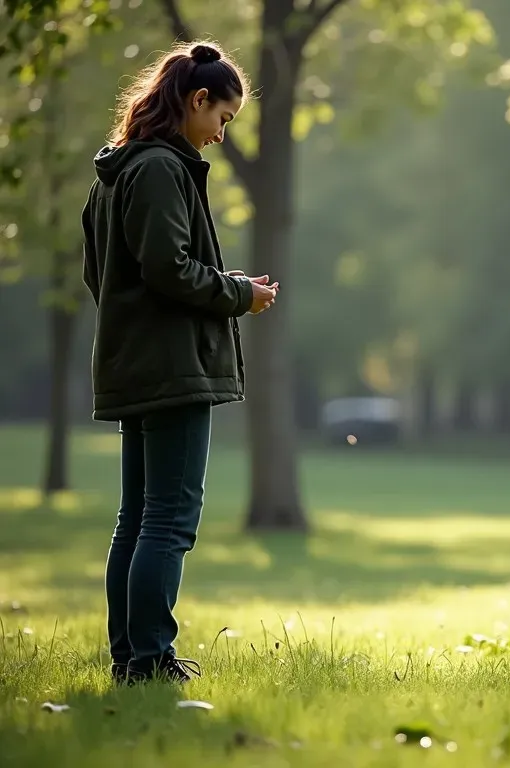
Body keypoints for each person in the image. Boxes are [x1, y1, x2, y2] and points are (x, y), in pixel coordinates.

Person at [80, 40, 277, 686]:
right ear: (197, 101)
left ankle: (130, 658)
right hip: (173, 369)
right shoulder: (163, 169)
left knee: (136, 516)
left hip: (134, 363)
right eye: (222, 119)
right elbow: (167, 269)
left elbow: (103, 275)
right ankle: (152, 660)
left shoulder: (116, 174)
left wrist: (216, 284)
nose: (222, 135)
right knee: (167, 518)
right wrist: (237, 294)